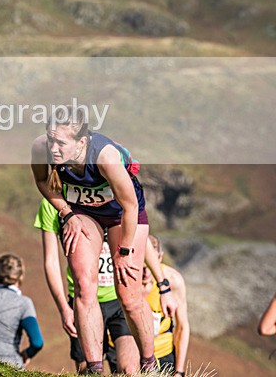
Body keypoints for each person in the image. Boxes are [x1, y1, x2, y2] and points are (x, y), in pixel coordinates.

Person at [30, 106, 177, 374]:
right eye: (51, 139)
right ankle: (94, 368)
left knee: (128, 293)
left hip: (123, 214)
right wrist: (67, 213)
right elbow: (42, 181)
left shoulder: (104, 156)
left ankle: (149, 364)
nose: (53, 148)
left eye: (61, 143)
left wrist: (124, 251)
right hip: (84, 211)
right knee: (84, 286)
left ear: (81, 142)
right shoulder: (41, 148)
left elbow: (131, 206)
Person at [34, 198, 138, 374]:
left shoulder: (113, 191)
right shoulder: (51, 203)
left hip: (117, 299)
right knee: (88, 371)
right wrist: (64, 308)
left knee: (129, 370)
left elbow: (138, 236)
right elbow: (51, 262)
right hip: (83, 300)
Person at [142, 234, 190, 376]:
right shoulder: (124, 278)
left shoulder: (173, 281)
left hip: (163, 353)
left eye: (150, 263)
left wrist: (179, 372)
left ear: (160, 257)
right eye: (142, 263)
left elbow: (182, 327)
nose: (146, 271)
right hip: (130, 351)